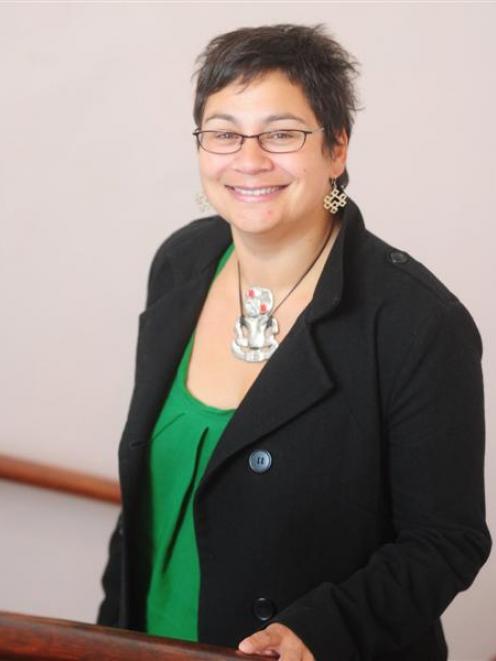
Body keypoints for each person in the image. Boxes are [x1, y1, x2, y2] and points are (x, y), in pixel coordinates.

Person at [96, 23, 491, 661]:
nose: (248, 159)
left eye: (281, 134)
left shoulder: (417, 322)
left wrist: (322, 628)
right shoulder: (181, 263)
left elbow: (447, 539)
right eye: (223, 133)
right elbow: (148, 498)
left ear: (337, 148)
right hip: (146, 640)